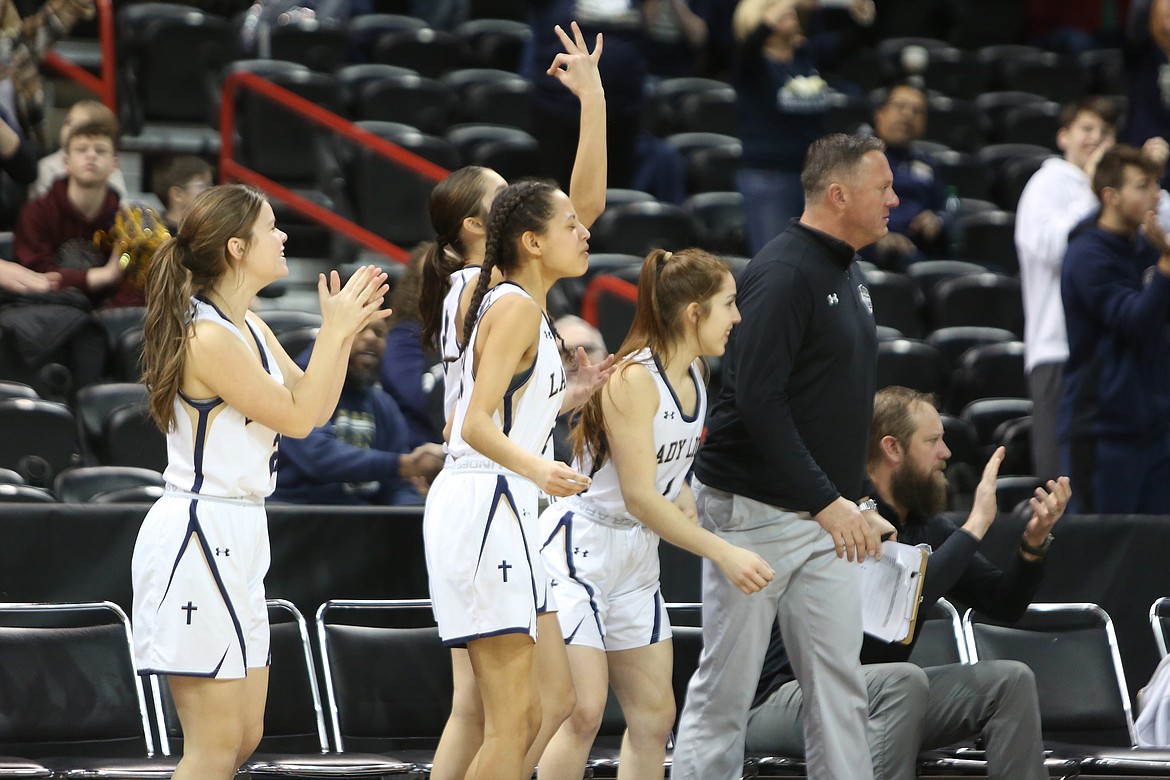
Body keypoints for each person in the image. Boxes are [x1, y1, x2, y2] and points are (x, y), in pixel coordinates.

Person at [132, 183, 389, 780]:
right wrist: (334, 332)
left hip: (243, 527)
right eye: (272, 227)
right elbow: (299, 417)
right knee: (213, 747)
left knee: (244, 738)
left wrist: (341, 335)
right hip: (199, 529)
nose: (283, 236)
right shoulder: (208, 336)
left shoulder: (249, 325)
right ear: (237, 248)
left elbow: (313, 410)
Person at [416, 22, 610, 780]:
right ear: (485, 231)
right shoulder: (483, 290)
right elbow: (477, 424)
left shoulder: (495, 295)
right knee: (516, 713)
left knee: (541, 701)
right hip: (487, 493)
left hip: (498, 493)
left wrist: (565, 396)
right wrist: (544, 465)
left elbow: (578, 210)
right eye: (504, 206)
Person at [671, 133, 892, 780]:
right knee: (726, 690)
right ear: (839, 193)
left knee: (841, 688)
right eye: (883, 189)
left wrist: (854, 499)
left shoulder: (849, 269)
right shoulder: (784, 272)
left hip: (824, 516)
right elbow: (756, 401)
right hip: (754, 512)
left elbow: (834, 403)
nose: (895, 200)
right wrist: (830, 502)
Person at [746, 385, 1072, 780]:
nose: (946, 453)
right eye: (933, 441)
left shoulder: (925, 525)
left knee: (1009, 681)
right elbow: (902, 601)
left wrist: (1032, 544)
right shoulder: (843, 515)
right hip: (787, 699)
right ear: (892, 448)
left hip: (875, 695)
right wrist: (976, 525)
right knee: (903, 681)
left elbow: (1004, 604)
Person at [536, 248, 774, 780]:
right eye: (729, 305)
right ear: (694, 312)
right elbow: (641, 496)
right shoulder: (634, 379)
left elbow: (664, 469)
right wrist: (723, 552)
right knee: (583, 711)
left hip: (636, 556)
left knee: (655, 717)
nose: (738, 317)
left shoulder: (695, 372)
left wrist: (684, 486)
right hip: (581, 550)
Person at [1015, 96, 1122, 483]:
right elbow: (1051, 247)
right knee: (1061, 480)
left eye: (1106, 132)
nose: (1097, 138)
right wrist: (1097, 193)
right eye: (1087, 129)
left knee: (1105, 482)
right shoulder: (1047, 182)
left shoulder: (1118, 194)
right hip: (1058, 350)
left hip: (1114, 353)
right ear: (1064, 137)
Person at [1060, 144, 1170, 514]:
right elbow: (1135, 320)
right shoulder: (1087, 255)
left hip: (1153, 428)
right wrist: (1167, 267)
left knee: (1154, 556)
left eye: (1155, 184)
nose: (1155, 194)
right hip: (1102, 431)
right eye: (1142, 185)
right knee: (1101, 555)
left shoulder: (1146, 249)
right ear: (1111, 196)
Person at [732, 0, 877, 254]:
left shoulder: (806, 55)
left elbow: (853, 41)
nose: (788, 10)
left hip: (815, 176)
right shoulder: (751, 63)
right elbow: (753, 41)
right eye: (774, 5)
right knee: (777, 260)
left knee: (817, 261)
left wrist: (862, 16)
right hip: (771, 177)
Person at [272, 318, 445, 506]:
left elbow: (397, 485)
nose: (370, 337)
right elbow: (318, 458)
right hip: (298, 514)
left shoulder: (383, 404)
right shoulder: (295, 388)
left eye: (379, 333)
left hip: (361, 520)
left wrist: (412, 512)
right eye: (360, 328)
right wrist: (402, 465)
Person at [13, 117, 137, 307]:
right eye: (81, 149)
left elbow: (133, 286)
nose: (91, 156)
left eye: (100, 150)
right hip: (46, 315)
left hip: (107, 320)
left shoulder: (126, 222)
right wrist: (106, 275)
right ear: (66, 162)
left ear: (115, 164)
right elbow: (35, 276)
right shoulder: (36, 213)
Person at [868, 82, 949, 269]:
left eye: (917, 111)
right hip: (870, 252)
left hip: (920, 252)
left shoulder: (928, 165)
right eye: (900, 106)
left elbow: (946, 208)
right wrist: (874, 240)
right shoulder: (858, 158)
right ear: (880, 113)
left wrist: (937, 221)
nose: (907, 115)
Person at [380, 244, 443, 449]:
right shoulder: (404, 336)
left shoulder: (475, 334)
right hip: (417, 453)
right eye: (435, 277)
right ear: (418, 286)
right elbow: (420, 398)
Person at [32, 99, 128, 199]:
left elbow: (120, 201)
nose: (71, 129)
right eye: (68, 122)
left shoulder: (108, 165)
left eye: (81, 126)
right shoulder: (47, 166)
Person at [151, 154, 214, 233]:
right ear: (177, 195)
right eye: (202, 186)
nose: (210, 191)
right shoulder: (156, 236)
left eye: (210, 185)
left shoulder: (208, 231)